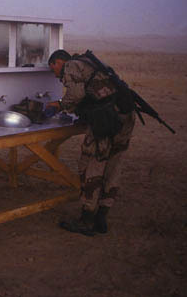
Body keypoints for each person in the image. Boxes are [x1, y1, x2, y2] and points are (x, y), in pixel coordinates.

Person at [46, 49, 135, 236]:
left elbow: (76, 93)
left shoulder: (71, 65)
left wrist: (59, 104)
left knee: (91, 166)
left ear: (58, 62)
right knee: (113, 166)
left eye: (52, 68)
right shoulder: (90, 64)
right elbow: (95, 92)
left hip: (106, 120)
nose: (55, 75)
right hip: (125, 116)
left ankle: (87, 220)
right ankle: (102, 217)